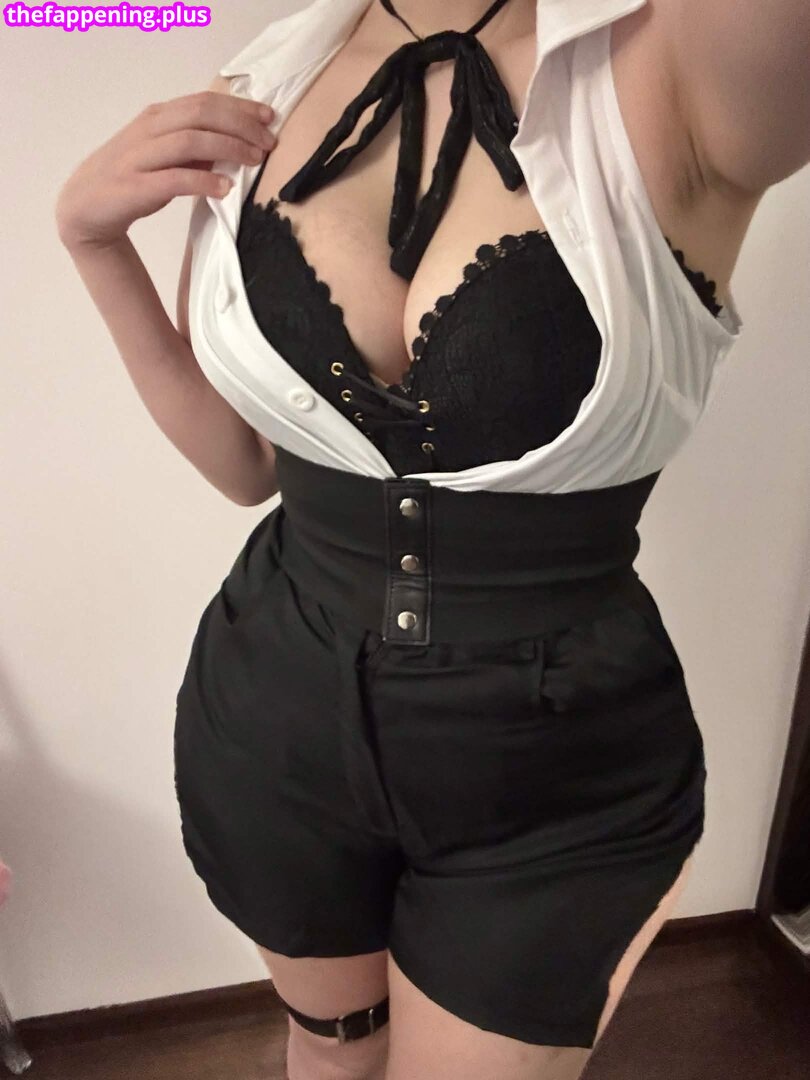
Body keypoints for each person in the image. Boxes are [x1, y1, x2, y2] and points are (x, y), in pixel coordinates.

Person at [54, 1, 808, 1077]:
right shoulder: (268, 78)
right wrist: (94, 245)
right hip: (276, 716)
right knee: (332, 1053)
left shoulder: (683, 57)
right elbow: (245, 463)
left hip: (555, 767)